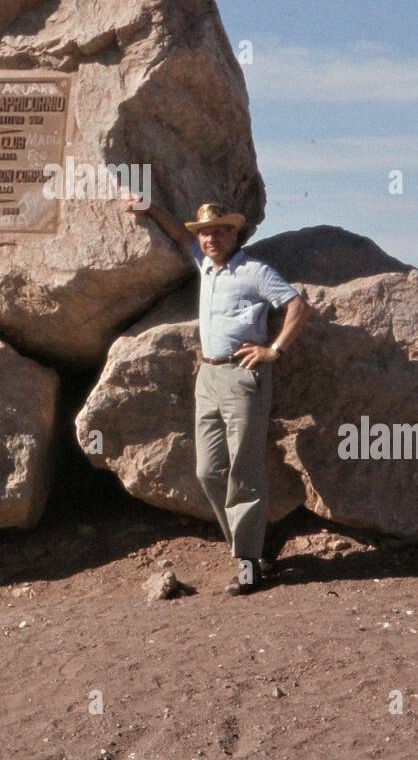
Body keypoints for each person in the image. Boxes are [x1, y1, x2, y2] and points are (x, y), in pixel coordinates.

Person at [123, 196, 311, 595]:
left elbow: (297, 306)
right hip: (206, 374)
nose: (210, 238)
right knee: (208, 471)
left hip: (243, 376)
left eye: (218, 231)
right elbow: (178, 232)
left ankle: (249, 565)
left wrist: (273, 350)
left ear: (233, 233)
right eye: (205, 232)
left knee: (244, 470)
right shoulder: (203, 263)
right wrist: (151, 206)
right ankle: (252, 548)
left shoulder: (255, 272)